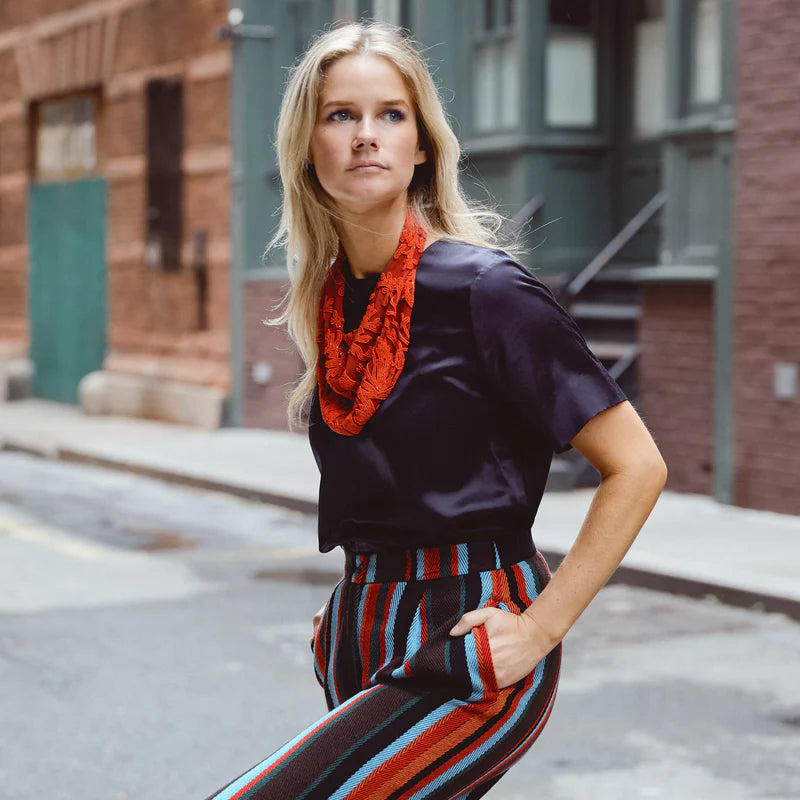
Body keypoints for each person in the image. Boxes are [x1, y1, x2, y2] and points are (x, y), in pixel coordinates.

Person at [204, 20, 667, 800]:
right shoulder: (328, 301)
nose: (366, 135)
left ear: (421, 145)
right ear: (307, 147)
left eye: (391, 114)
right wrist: (349, 606)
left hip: (471, 639)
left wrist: (542, 627)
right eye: (340, 114)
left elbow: (638, 465)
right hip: (362, 631)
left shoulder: (486, 289)